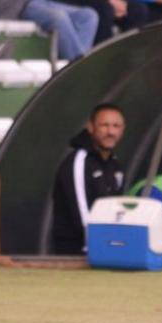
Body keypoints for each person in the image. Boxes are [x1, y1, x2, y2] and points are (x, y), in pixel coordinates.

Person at [51, 103, 126, 254]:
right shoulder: (79, 161)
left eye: (116, 126)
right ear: (91, 127)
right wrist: (101, 245)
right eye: (104, 125)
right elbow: (81, 212)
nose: (110, 132)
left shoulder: (115, 163)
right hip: (76, 252)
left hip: (104, 248)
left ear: (123, 130)